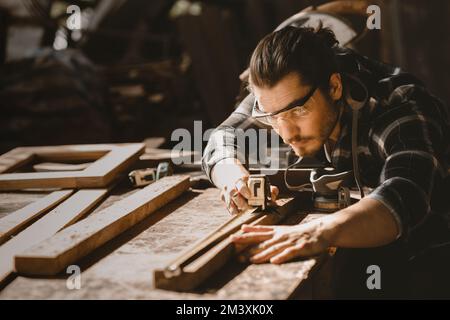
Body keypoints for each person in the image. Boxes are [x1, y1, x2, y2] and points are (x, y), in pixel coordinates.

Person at [201, 26, 450, 298]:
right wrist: (234, 178)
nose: (287, 134)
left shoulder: (398, 106)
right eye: (273, 117)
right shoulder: (281, 92)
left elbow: (404, 195)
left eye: (298, 111)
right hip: (361, 245)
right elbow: (222, 139)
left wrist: (316, 232)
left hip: (429, 256)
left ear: (334, 86)